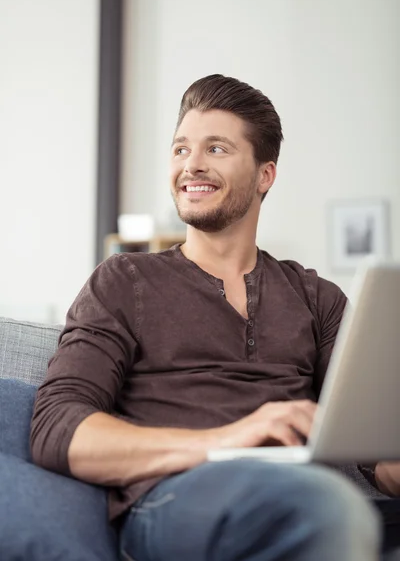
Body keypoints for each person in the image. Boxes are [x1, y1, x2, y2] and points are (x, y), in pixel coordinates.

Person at [31, 74, 399, 561]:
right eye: (181, 149)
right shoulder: (125, 280)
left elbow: (378, 456)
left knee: (328, 507)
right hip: (175, 498)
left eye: (217, 148)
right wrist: (227, 440)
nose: (192, 165)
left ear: (265, 175)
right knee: (327, 509)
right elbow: (58, 430)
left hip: (297, 493)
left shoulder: (316, 296)